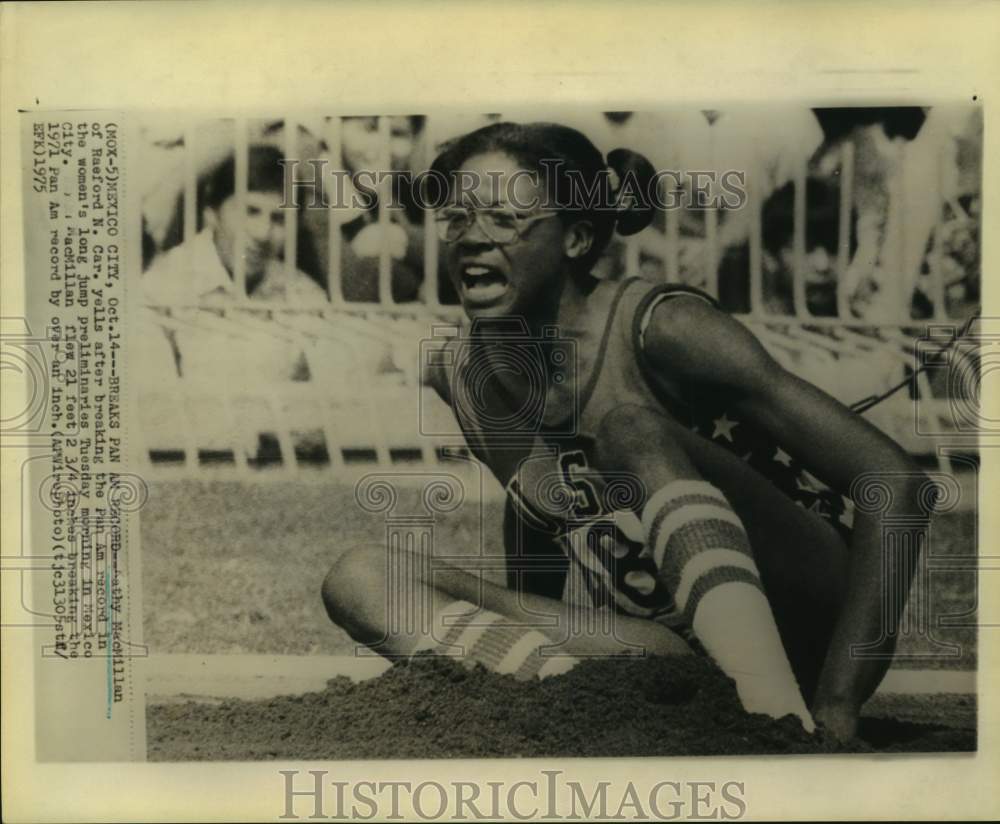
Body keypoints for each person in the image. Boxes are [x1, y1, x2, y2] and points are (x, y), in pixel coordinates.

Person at [321, 121, 931, 741]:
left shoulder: (662, 327)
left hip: (804, 623)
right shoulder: (466, 372)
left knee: (629, 430)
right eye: (456, 217)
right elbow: (534, 512)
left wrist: (841, 696)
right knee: (362, 579)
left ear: (577, 238)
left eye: (505, 218)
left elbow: (898, 482)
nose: (472, 238)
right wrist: (531, 622)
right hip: (670, 647)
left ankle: (775, 717)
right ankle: (561, 706)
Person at [142, 144, 327, 305]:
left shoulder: (305, 295)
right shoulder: (160, 287)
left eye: (279, 219)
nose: (262, 233)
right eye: (250, 212)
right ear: (211, 213)